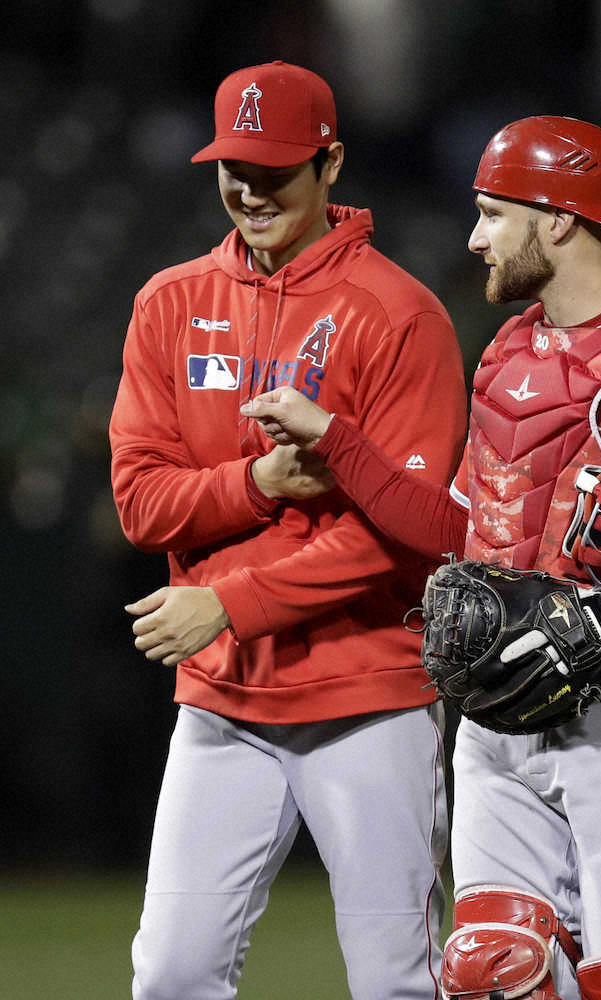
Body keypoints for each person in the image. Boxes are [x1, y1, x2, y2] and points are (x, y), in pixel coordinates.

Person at [240, 116, 601, 1000]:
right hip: (500, 718)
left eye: (492, 214)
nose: (474, 238)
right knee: (487, 973)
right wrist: (340, 444)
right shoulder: (511, 351)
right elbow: (463, 526)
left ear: (558, 220)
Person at [109, 61, 468, 1000]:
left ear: (331, 163)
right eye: (234, 165)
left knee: (399, 982)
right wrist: (262, 482)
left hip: (368, 695)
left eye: (275, 168)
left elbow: (404, 534)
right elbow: (142, 503)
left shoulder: (400, 316)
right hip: (225, 702)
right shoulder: (171, 303)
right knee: (172, 976)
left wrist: (228, 601)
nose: (250, 189)